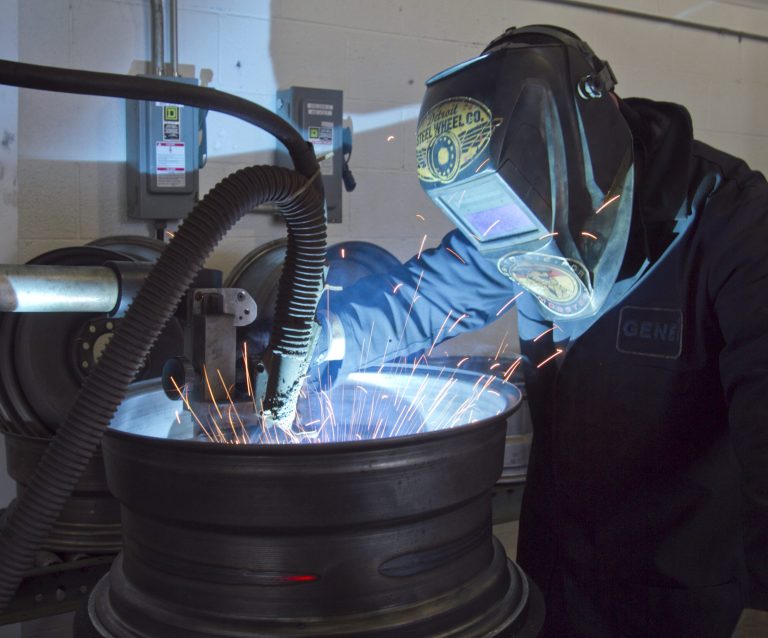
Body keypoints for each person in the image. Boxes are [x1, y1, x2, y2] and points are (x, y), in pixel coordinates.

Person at [313, 24, 768, 638]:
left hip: (669, 585)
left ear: (588, 148)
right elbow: (424, 299)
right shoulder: (517, 220)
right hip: (553, 565)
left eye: (540, 227)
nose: (527, 248)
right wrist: (314, 341)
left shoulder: (733, 221)